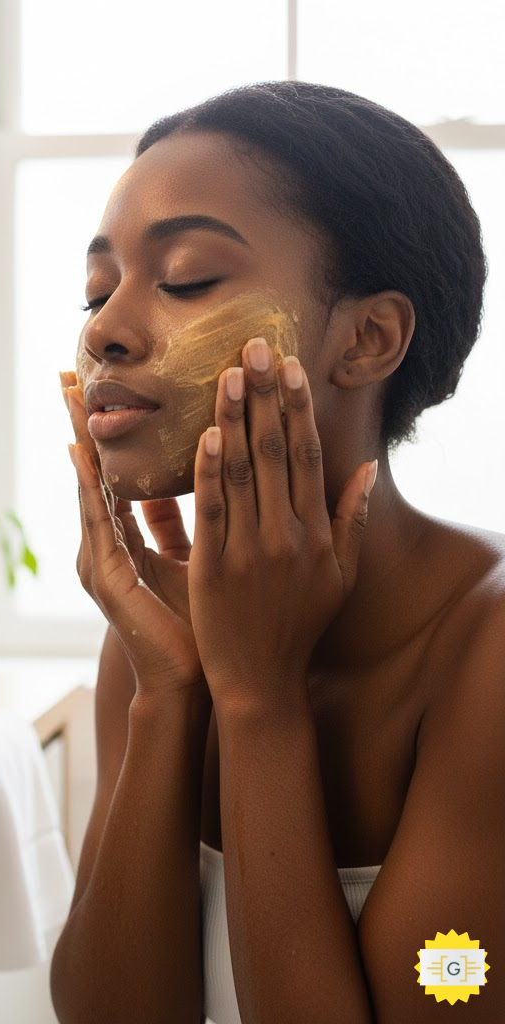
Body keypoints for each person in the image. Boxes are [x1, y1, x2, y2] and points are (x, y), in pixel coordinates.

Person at [50, 81, 503, 1024]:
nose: (103, 329)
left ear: (369, 337)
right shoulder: (161, 628)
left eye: (184, 279)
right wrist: (171, 692)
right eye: (100, 288)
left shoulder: (488, 653)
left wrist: (257, 701)